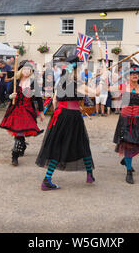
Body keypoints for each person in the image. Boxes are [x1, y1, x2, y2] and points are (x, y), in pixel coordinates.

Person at [36, 55, 101, 191]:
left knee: (58, 146)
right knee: (82, 144)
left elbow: (54, 101)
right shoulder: (77, 84)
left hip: (60, 116)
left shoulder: (61, 82)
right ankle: (89, 174)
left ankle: (48, 179)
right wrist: (103, 80)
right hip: (72, 117)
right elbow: (96, 93)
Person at [113, 64, 139, 184]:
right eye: (132, 74)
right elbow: (107, 88)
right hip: (126, 121)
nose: (135, 75)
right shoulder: (123, 87)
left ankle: (126, 160)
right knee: (128, 145)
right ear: (128, 76)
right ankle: (129, 172)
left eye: (137, 74)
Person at [0, 60, 45, 166]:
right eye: (24, 69)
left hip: (27, 111)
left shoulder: (34, 83)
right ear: (21, 70)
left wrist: (41, 112)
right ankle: (15, 156)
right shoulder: (15, 81)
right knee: (19, 133)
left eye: (29, 69)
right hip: (15, 110)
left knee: (20, 133)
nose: (26, 71)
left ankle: (20, 148)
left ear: (31, 71)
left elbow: (39, 99)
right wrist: (10, 97)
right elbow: (5, 95)